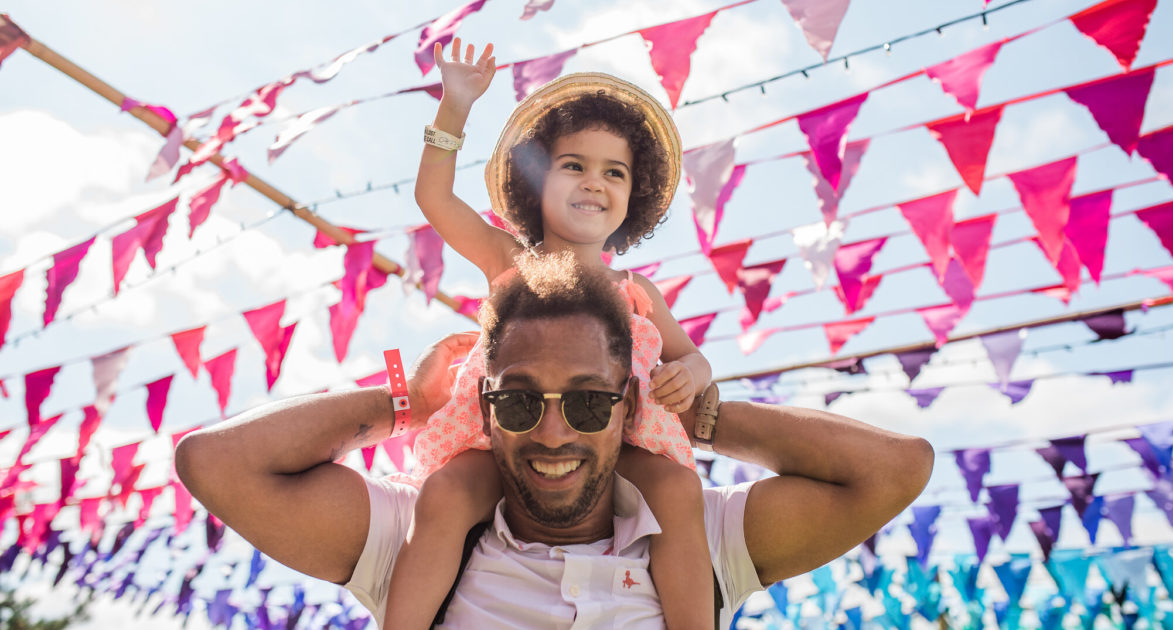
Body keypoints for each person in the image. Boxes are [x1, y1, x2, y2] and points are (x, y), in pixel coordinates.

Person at [174, 252, 934, 628]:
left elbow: (896, 469)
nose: (552, 429)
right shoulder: (418, 540)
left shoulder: (696, 540)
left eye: (589, 401)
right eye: (519, 400)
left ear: (627, 402)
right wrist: (408, 403)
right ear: (485, 401)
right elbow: (214, 461)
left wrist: (694, 411)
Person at [396, 37, 716, 629]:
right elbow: (432, 196)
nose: (594, 182)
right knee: (442, 495)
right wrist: (455, 105)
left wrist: (685, 375)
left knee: (678, 492)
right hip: (512, 434)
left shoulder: (638, 289)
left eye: (613, 172)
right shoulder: (507, 257)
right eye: (574, 165)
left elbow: (696, 359)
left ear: (633, 196)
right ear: (536, 181)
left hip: (620, 442)